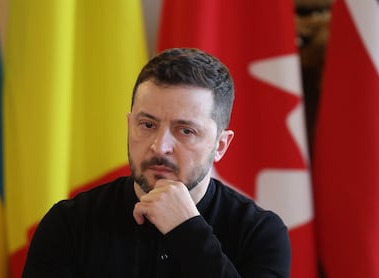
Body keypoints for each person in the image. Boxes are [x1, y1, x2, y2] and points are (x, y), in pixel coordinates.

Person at [23, 48, 291, 277]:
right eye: (147, 124)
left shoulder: (260, 234)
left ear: (220, 146)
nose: (159, 146)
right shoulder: (69, 224)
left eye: (185, 130)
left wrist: (188, 232)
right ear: (129, 126)